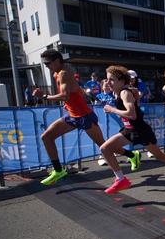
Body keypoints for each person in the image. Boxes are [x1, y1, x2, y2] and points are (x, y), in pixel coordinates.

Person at [33, 50, 139, 185]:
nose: (47, 66)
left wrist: (43, 96)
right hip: (72, 115)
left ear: (57, 61)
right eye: (45, 64)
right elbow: (76, 91)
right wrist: (69, 104)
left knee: (104, 146)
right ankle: (58, 170)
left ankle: (132, 156)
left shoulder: (64, 73)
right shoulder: (57, 73)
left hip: (84, 116)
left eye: (48, 63)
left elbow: (64, 95)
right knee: (46, 137)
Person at [99, 65, 165, 194]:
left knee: (160, 156)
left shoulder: (124, 92)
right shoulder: (118, 92)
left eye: (111, 80)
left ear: (121, 81)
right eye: (107, 79)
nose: (108, 83)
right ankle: (121, 179)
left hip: (140, 130)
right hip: (128, 130)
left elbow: (132, 114)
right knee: (105, 148)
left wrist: (112, 109)